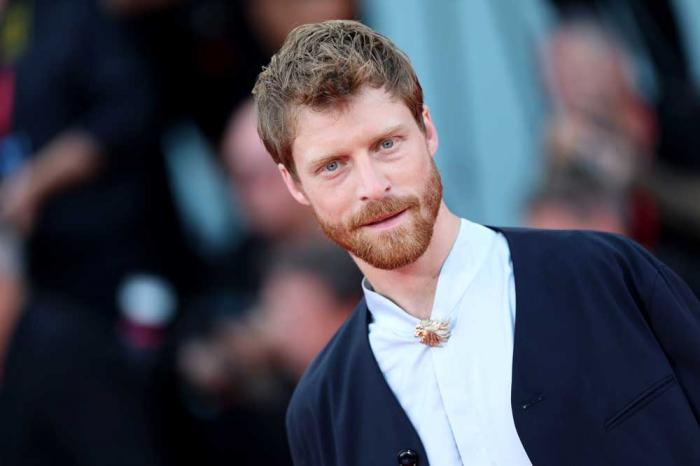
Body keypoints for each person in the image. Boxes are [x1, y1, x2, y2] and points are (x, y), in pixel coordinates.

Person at [252, 20, 700, 466]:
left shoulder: (604, 275)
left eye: (387, 144)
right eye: (333, 166)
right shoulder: (321, 413)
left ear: (427, 130)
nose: (372, 185)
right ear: (294, 185)